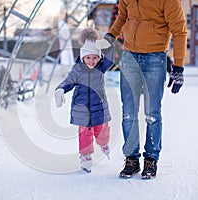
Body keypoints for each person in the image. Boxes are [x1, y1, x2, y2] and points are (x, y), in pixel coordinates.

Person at [106, 0, 187, 179]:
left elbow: (180, 32)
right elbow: (123, 17)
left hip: (155, 57)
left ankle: (151, 158)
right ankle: (132, 159)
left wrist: (178, 67)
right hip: (129, 56)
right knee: (128, 112)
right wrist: (111, 35)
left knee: (152, 113)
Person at [54, 28, 115, 173]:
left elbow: (110, 58)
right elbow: (68, 81)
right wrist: (60, 89)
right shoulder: (77, 71)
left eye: (95, 57)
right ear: (82, 58)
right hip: (81, 110)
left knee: (102, 132)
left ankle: (103, 144)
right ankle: (86, 156)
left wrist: (108, 46)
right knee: (84, 133)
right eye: (88, 58)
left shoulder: (101, 68)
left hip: (99, 108)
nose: (92, 61)